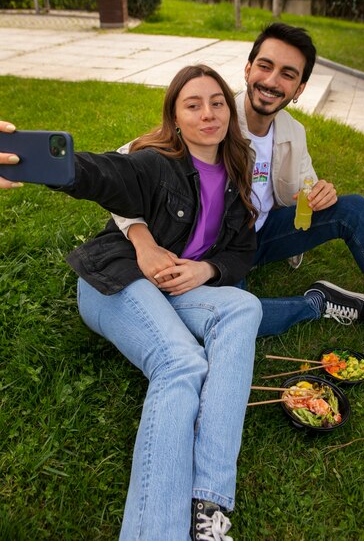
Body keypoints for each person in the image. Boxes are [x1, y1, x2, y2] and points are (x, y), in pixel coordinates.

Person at [1, 65, 265, 541]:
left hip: (174, 289)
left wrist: (206, 270)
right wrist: (54, 166)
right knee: (182, 363)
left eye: (218, 102)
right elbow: (105, 174)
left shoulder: (236, 176)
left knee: (246, 308)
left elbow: (242, 252)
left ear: (230, 108)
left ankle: (208, 502)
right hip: (115, 281)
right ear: (175, 118)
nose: (208, 113)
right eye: (193, 104)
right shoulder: (156, 163)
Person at [113, 23, 364, 370]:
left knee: (353, 209)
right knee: (230, 314)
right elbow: (120, 169)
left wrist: (320, 192)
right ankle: (317, 303)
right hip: (218, 248)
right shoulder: (213, 116)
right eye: (265, 66)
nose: (272, 81)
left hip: (264, 233)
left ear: (299, 89)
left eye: (287, 74)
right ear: (248, 69)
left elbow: (304, 186)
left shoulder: (292, 132)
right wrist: (143, 243)